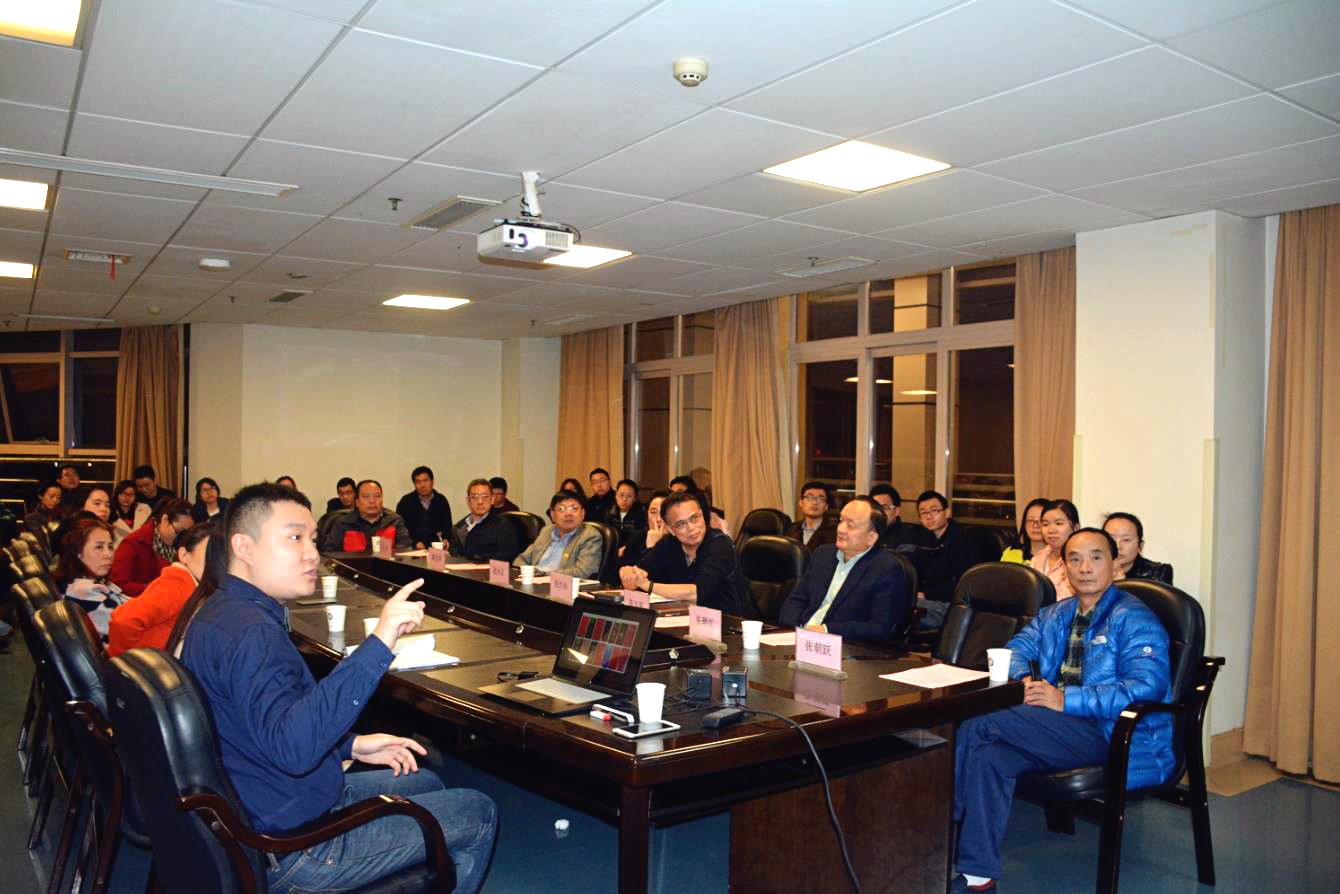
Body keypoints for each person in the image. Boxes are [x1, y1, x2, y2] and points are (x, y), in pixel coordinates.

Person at [180, 483, 497, 894]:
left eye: (312, 538)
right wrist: (381, 640)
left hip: (262, 796)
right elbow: (293, 748)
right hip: (294, 844)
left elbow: (265, 725)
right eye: (295, 538)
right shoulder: (251, 634)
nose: (312, 553)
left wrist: (352, 745)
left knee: (426, 782)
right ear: (244, 547)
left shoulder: (223, 610)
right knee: (479, 810)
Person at [951, 527, 1172, 894]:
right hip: (1057, 726)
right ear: (1065, 567)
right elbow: (1017, 648)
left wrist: (1066, 699)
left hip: (1111, 732)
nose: (1085, 568)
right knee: (990, 757)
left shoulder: (1136, 618)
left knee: (982, 719)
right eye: (1075, 559)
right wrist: (1024, 678)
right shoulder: (1056, 613)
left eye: (1096, 557)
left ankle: (941, 823)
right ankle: (979, 876)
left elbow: (1146, 688)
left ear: (1115, 564)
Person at [779, 496, 908, 641]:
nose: (840, 529)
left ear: (871, 537)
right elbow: (797, 600)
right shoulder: (823, 554)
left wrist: (827, 630)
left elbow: (880, 627)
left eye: (851, 525)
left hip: (843, 646)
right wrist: (793, 629)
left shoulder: (886, 568)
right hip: (798, 637)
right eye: (841, 521)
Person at [619, 491, 747, 615]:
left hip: (727, 621)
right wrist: (628, 574)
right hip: (684, 617)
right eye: (681, 524)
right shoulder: (668, 543)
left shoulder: (720, 544)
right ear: (670, 529)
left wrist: (647, 585)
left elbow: (695, 593)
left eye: (695, 518)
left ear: (702, 515)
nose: (691, 528)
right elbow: (635, 579)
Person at [107, 521, 212, 657]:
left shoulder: (188, 585)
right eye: (209, 552)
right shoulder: (177, 584)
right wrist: (139, 661)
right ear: (184, 555)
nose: (215, 561)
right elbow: (122, 621)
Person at [908, 490, 976, 629]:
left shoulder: (962, 540)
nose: (929, 517)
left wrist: (925, 594)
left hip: (951, 606)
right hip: (925, 601)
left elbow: (963, 584)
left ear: (947, 513)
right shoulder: (922, 540)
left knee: (900, 604)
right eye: (923, 513)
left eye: (934, 511)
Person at [54, 518, 127, 642]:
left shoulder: (82, 581)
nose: (108, 554)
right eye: (99, 547)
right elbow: (129, 627)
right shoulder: (84, 591)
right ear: (77, 552)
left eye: (110, 547)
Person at [109, 498, 194, 597]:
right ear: (165, 520)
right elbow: (118, 585)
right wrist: (154, 589)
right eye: (178, 531)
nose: (180, 538)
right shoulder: (133, 543)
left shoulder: (179, 547)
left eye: (185, 534)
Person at [513, 490, 603, 578]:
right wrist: (529, 572)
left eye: (574, 508)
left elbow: (582, 572)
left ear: (583, 513)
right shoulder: (546, 531)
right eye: (561, 509)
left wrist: (542, 575)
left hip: (559, 585)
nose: (568, 513)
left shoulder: (590, 535)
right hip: (532, 580)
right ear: (552, 515)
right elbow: (521, 559)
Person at [323, 480, 412, 552]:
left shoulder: (394, 521)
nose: (372, 501)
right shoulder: (343, 523)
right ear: (357, 502)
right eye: (366, 497)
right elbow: (331, 554)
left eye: (377, 496)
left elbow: (404, 551)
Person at [449, 479, 519, 562]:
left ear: (492, 499)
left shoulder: (503, 526)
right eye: (475, 497)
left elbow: (508, 555)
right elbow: (453, 554)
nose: (480, 502)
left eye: (485, 497)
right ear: (468, 501)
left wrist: (477, 559)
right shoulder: (458, 528)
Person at [1103, 512, 1174, 584]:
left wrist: (1119, 585)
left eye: (1126, 540)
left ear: (1140, 546)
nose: (1118, 547)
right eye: (1111, 539)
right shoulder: (1096, 570)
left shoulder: (1158, 573)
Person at [1031, 499, 1080, 600]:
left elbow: (1067, 600)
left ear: (1075, 528)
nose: (1051, 530)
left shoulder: (1079, 561)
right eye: (1045, 524)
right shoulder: (1038, 557)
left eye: (1058, 523)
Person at [395, 466, 453, 550]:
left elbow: (447, 527)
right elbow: (401, 529)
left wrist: (446, 540)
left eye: (425, 481)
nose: (422, 485)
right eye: (418, 482)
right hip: (412, 548)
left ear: (432, 482)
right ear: (414, 484)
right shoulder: (406, 502)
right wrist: (415, 542)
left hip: (436, 549)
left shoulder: (441, 501)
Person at [51, 483, 114, 556]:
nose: (104, 509)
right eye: (97, 503)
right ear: (82, 505)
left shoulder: (108, 530)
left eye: (107, 505)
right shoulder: (72, 530)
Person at [783, 482, 838, 550]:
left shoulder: (836, 532)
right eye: (810, 497)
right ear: (801, 502)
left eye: (821, 499)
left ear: (826, 506)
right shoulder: (791, 529)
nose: (815, 502)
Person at [620, 491, 667, 567]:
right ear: (647, 514)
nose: (658, 519)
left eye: (664, 512)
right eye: (653, 512)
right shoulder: (636, 537)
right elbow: (619, 568)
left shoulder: (680, 542)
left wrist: (652, 548)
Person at [869, 484, 919, 550]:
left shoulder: (908, 535)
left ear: (897, 511)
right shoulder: (867, 534)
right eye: (875, 507)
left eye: (885, 507)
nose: (880, 512)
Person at [1001, 498, 1048, 564]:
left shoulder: (1058, 559)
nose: (1035, 525)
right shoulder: (1011, 553)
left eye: (1041, 520)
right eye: (1030, 520)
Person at [606, 479, 646, 550]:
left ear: (635, 498)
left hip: (632, 550)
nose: (624, 499)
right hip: (612, 549)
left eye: (629, 496)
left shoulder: (640, 514)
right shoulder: (610, 512)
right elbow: (608, 535)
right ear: (616, 496)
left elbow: (638, 538)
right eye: (621, 495)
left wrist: (626, 548)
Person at [111, 479, 151, 548]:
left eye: (131, 494)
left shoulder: (144, 509)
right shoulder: (111, 511)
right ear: (117, 494)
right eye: (123, 494)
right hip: (118, 547)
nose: (127, 498)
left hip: (140, 547)